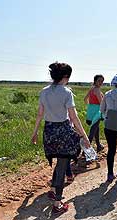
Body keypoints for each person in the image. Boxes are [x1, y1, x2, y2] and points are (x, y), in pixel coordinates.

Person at [31, 62, 90, 214]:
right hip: (63, 131)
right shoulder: (66, 92)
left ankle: (52, 189)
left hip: (49, 130)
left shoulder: (44, 92)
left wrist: (35, 132)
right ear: (66, 77)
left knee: (59, 162)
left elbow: (40, 114)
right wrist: (84, 136)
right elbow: (74, 117)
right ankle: (57, 203)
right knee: (63, 165)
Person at [84, 74, 105, 152]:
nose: (101, 83)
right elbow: (101, 102)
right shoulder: (97, 90)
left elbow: (85, 99)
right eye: (99, 81)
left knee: (96, 128)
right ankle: (86, 151)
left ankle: (98, 145)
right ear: (95, 81)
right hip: (97, 112)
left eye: (102, 81)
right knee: (92, 131)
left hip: (91, 110)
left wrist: (89, 107)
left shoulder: (92, 89)